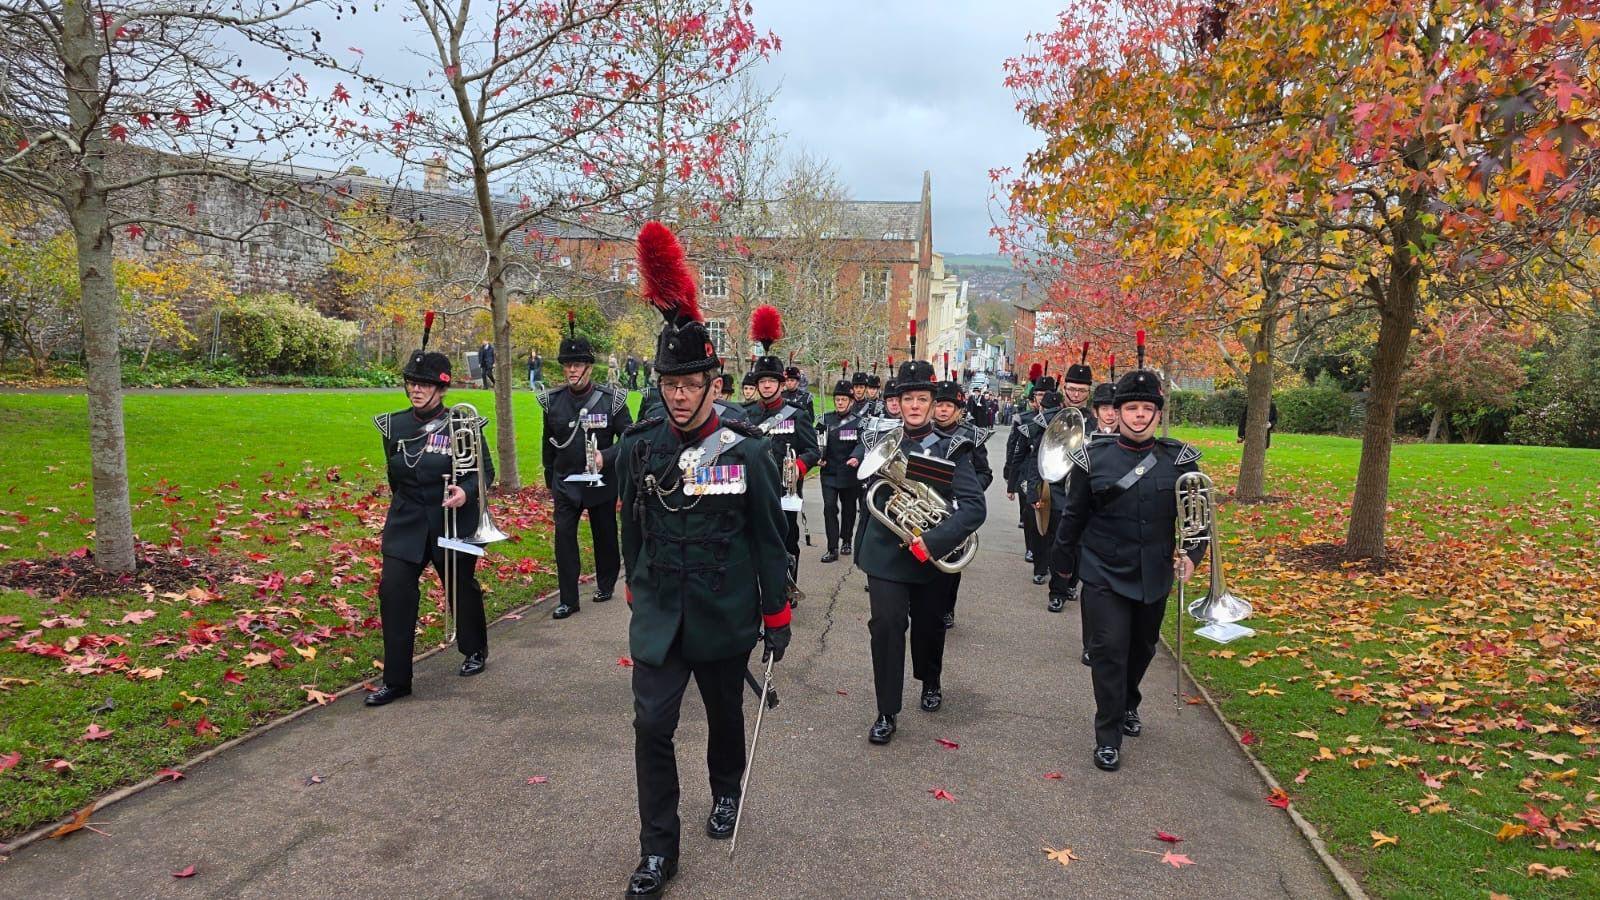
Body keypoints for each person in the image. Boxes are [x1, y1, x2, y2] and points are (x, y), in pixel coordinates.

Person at [618, 221, 792, 898]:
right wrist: (635, 586)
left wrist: (775, 614)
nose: (679, 394)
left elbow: (767, 542)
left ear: (714, 383)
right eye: (670, 383)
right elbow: (631, 521)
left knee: (724, 717)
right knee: (650, 724)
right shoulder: (641, 447)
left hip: (723, 614)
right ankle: (658, 849)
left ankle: (726, 789)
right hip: (661, 614)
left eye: (691, 383)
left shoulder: (747, 452)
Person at [1052, 334, 1205, 772]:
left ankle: (1129, 701)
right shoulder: (1089, 459)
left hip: (1154, 571)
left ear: (1158, 414)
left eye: (1146, 410)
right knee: (1109, 650)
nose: (1139, 416)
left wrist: (1193, 556)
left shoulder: (1180, 461)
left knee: (1142, 650)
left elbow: (1197, 519)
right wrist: (1064, 569)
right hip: (1102, 570)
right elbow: (1073, 518)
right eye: (1130, 409)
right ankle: (1108, 732)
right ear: (1115, 413)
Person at [853, 345, 986, 744]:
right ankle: (886, 711)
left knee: (929, 627)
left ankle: (930, 679)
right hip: (885, 554)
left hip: (931, 554)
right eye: (907, 399)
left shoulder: (952, 449)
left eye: (921, 399)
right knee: (887, 627)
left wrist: (931, 540)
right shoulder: (882, 440)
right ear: (898, 403)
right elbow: (867, 488)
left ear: (932, 403)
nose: (914, 406)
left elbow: (975, 508)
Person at [369, 314, 492, 707]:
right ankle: (397, 679)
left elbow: (483, 471)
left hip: (451, 519)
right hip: (406, 522)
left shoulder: (462, 422)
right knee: (394, 592)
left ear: (441, 388)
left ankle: (474, 649)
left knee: (461, 588)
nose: (416, 390)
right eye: (411, 382)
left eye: (423, 384)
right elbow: (394, 474)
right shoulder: (393, 425)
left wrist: (466, 492)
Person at [539, 312, 632, 620]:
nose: (572, 370)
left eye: (577, 365)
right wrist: (550, 479)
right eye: (567, 365)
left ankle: (606, 583)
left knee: (604, 534)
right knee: (563, 539)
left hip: (601, 482)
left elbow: (630, 440)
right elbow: (547, 444)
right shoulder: (552, 401)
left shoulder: (611, 399)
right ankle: (568, 598)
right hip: (566, 482)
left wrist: (606, 455)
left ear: (589, 368)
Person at [744, 307, 820, 590]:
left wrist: (798, 467)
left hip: (785, 490)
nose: (765, 386)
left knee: (787, 540)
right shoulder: (746, 414)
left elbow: (813, 450)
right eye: (761, 381)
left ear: (780, 383)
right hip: (753, 489)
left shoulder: (797, 414)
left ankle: (787, 587)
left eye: (770, 381)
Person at [932, 374, 992, 630]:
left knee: (950, 562)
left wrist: (967, 495)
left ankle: (947, 608)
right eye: (939, 405)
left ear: (958, 410)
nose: (943, 410)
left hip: (956, 508)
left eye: (949, 406)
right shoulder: (925, 432)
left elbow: (984, 472)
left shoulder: (971, 436)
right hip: (928, 503)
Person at [818, 379, 864, 563]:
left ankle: (846, 540)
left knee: (849, 509)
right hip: (828, 471)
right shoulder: (825, 420)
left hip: (849, 472)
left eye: (844, 399)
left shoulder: (858, 422)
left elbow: (862, 444)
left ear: (851, 402)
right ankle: (832, 547)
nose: (840, 402)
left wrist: (856, 457)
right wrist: (817, 457)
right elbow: (817, 442)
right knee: (829, 508)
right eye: (837, 399)